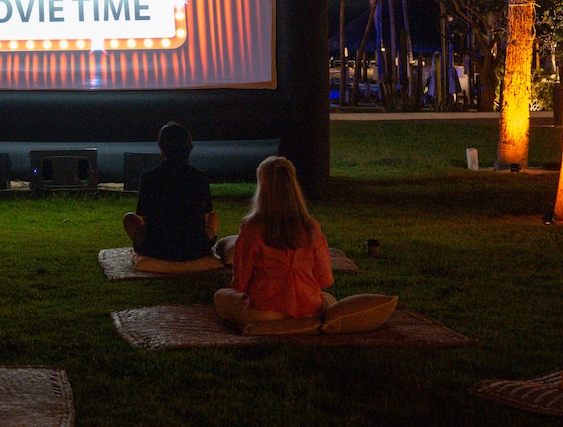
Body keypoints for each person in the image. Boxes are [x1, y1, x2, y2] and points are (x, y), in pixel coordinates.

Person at [214, 155, 396, 333]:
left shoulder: (251, 227)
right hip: (309, 308)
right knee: (329, 300)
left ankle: (267, 326)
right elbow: (325, 279)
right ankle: (304, 324)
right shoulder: (311, 227)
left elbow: (240, 284)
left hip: (265, 311)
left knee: (220, 296)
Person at [122, 122, 217, 263]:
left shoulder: (149, 178)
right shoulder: (199, 177)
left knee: (129, 218)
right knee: (214, 217)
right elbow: (206, 215)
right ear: (189, 148)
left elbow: (145, 217)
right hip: (195, 248)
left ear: (162, 148)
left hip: (157, 248)